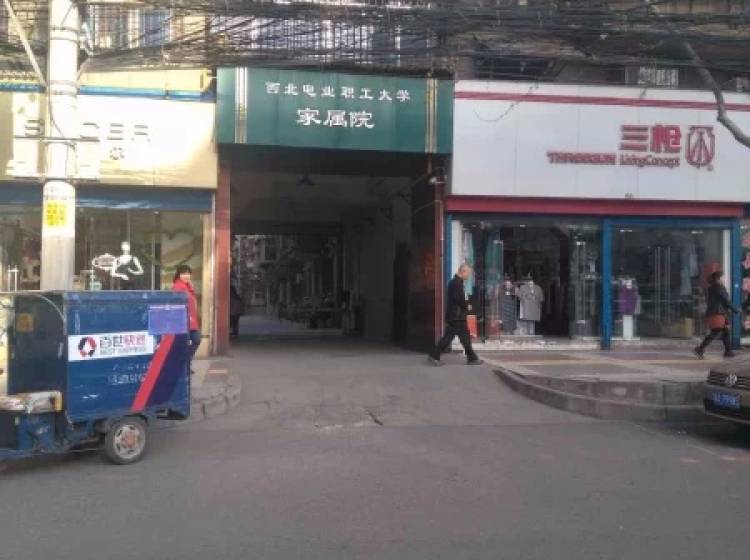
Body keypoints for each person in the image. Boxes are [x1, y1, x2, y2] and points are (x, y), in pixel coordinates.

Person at [428, 264, 483, 366]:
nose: (468, 277)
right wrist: (467, 305)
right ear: (463, 272)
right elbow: (460, 299)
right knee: (449, 338)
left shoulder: (456, 282)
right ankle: (434, 355)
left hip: (457, 316)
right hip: (456, 317)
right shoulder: (456, 283)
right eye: (468, 274)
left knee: (464, 338)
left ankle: (472, 358)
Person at [694, 270, 738, 359]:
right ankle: (700, 349)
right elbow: (726, 301)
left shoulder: (712, 288)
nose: (723, 279)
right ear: (718, 279)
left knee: (726, 332)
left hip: (718, 313)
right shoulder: (719, 288)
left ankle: (728, 351)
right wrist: (735, 310)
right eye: (722, 278)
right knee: (716, 331)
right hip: (718, 313)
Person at [173, 264, 201, 368]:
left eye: (188, 273)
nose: (186, 276)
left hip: (192, 321)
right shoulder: (178, 286)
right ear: (179, 275)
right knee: (187, 343)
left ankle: (186, 363)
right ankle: (184, 365)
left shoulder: (188, 286)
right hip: (183, 321)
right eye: (183, 274)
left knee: (196, 340)